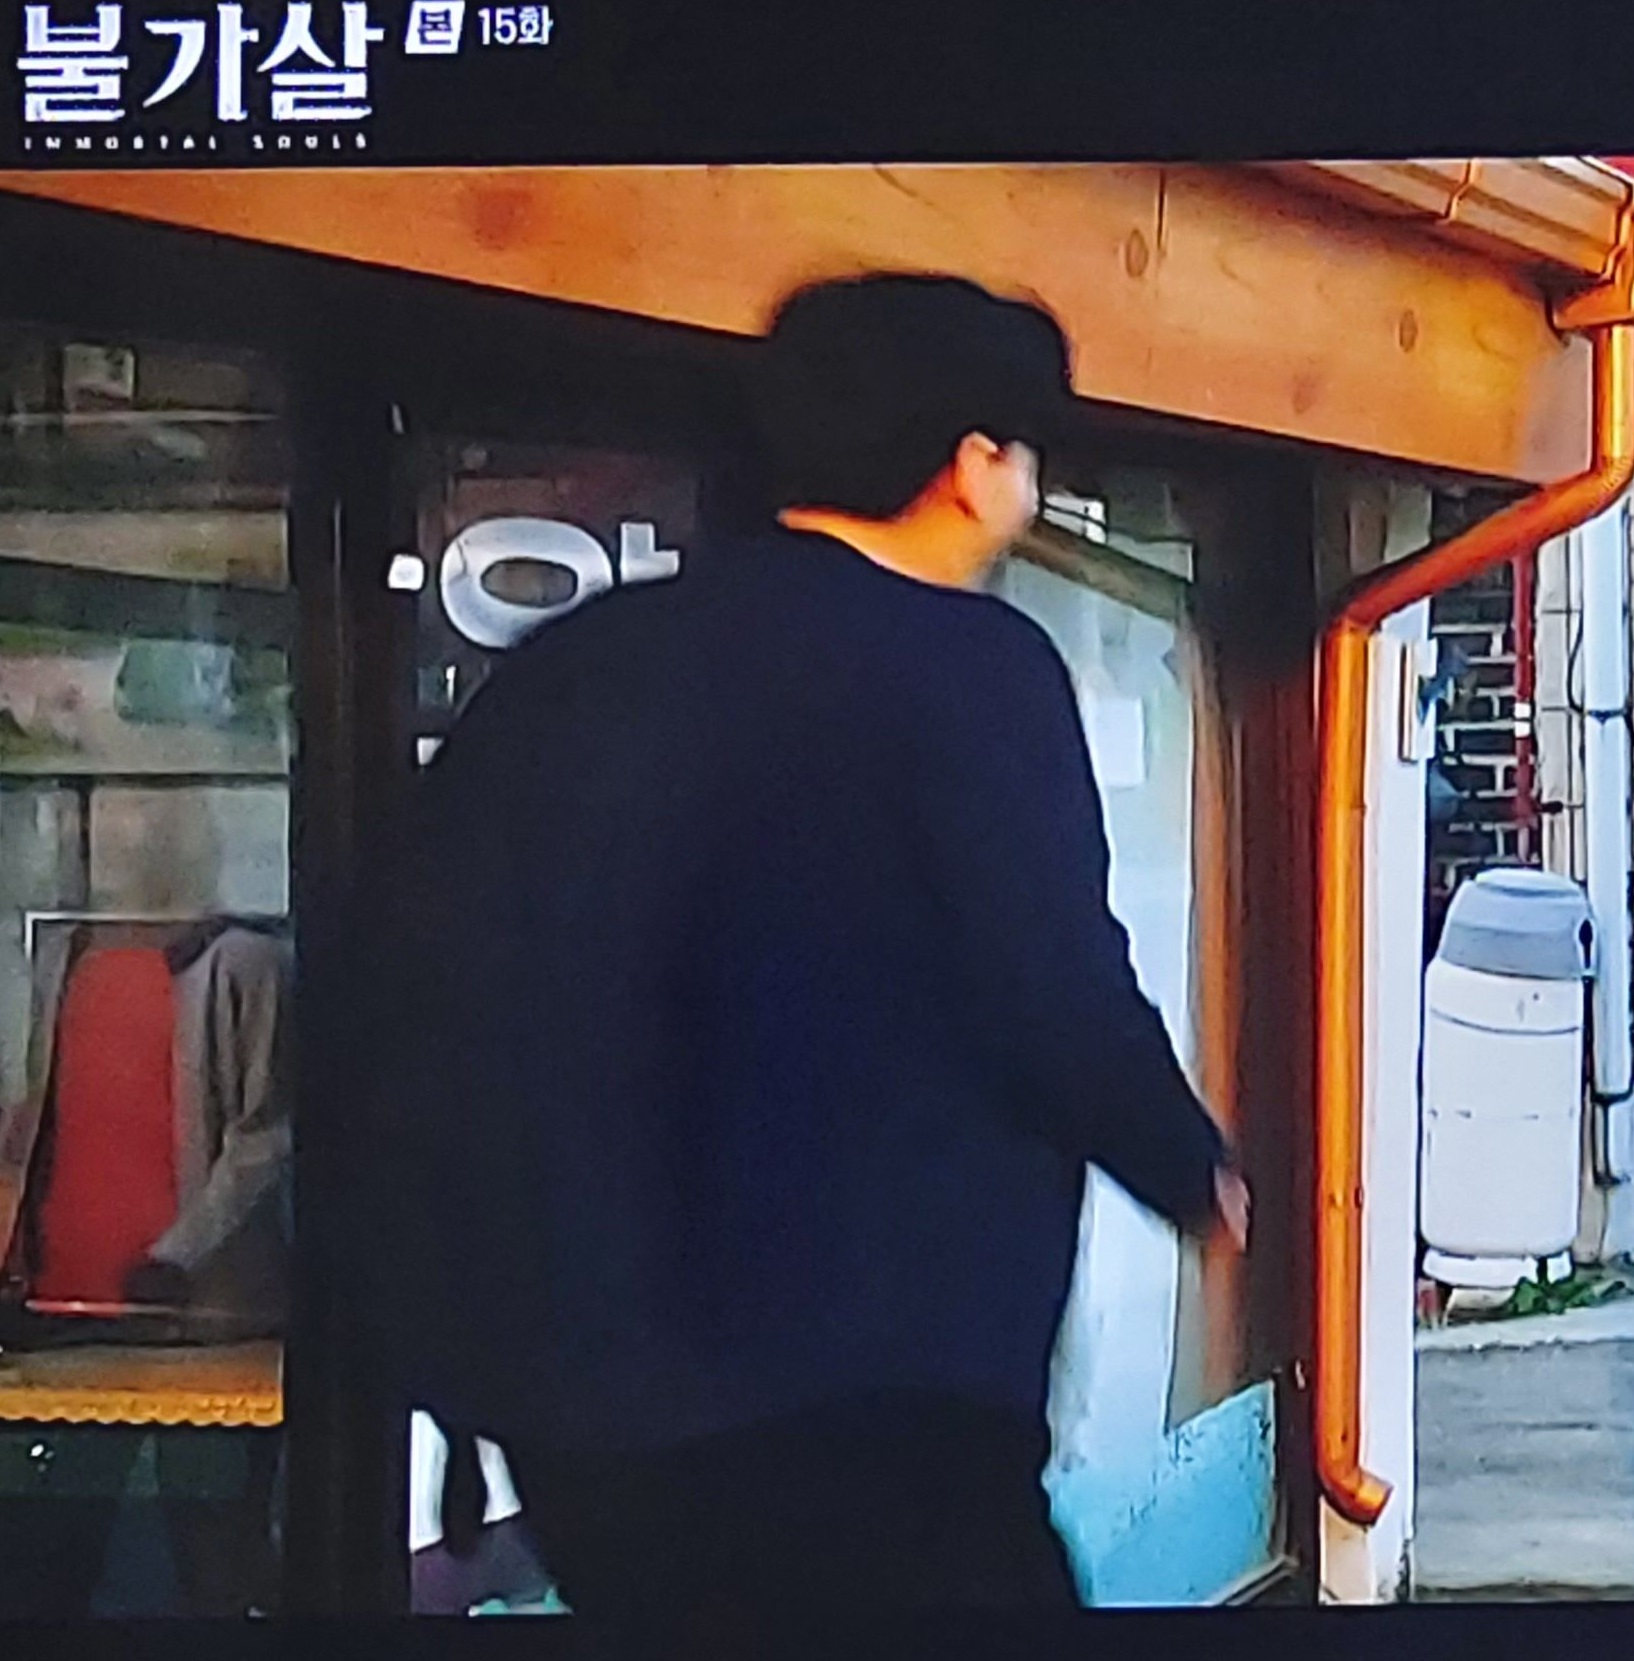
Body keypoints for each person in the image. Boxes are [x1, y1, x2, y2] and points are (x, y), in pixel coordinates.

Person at [345, 274, 1245, 1622]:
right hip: (867, 1392)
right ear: (971, 464)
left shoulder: (577, 665)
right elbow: (1050, 978)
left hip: (580, 1411)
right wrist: (1186, 1162)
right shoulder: (970, 668)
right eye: (1025, 453)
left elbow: (421, 976)